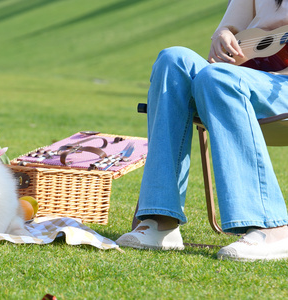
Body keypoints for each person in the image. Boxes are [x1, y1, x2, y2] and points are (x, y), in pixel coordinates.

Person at [116, 0, 288, 261]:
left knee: (217, 77)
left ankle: (271, 227)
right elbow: (228, 29)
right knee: (172, 59)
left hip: (279, 87)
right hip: (242, 78)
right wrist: (223, 36)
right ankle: (161, 220)